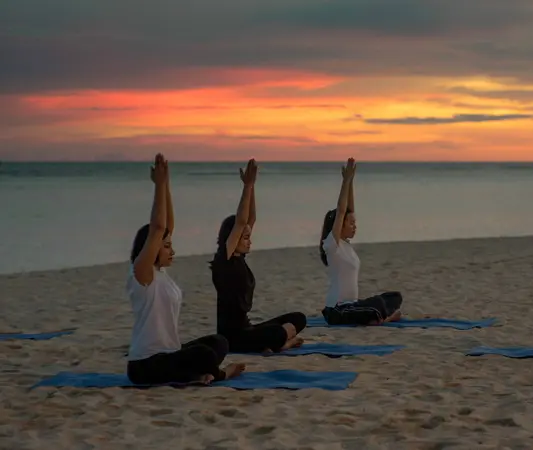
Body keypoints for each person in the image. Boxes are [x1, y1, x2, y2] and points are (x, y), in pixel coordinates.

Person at [126, 154, 245, 385]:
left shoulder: (160, 274)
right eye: (167, 247)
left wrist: (166, 184)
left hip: (169, 355)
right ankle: (220, 374)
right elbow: (158, 228)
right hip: (145, 366)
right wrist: (159, 186)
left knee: (219, 342)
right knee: (205, 356)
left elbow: (166, 226)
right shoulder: (142, 274)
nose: (172, 251)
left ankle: (197, 374)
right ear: (150, 249)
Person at [210, 159, 307, 354]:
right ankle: (282, 343)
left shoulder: (239, 259)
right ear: (233, 237)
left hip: (248, 329)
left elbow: (249, 219)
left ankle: (276, 343)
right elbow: (241, 221)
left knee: (298, 318)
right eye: (245, 238)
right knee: (281, 332)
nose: (249, 241)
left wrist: (252, 186)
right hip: (232, 337)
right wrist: (246, 187)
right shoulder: (225, 261)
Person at [319, 157, 403, 325]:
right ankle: (384, 318)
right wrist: (345, 181)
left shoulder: (345, 245)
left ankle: (380, 316)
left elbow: (349, 210)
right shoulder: (332, 245)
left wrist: (351, 183)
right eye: (351, 224)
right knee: (377, 306)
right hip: (337, 310)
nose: (355, 226)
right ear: (339, 225)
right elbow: (342, 210)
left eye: (354, 223)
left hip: (352, 306)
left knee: (394, 297)